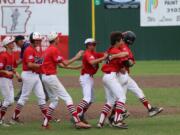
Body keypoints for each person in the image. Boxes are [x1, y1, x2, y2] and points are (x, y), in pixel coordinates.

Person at [108, 31, 163, 123]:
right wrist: (128, 64)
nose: (121, 37)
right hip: (121, 75)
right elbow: (128, 63)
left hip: (124, 75)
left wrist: (128, 63)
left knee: (137, 90)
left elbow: (128, 61)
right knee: (121, 98)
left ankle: (150, 109)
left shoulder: (123, 46)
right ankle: (113, 118)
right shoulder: (123, 47)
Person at [41, 32, 91, 129]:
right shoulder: (54, 49)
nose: (59, 39)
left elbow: (61, 65)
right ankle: (77, 122)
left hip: (45, 77)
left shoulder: (48, 50)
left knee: (54, 100)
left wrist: (74, 68)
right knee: (68, 98)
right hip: (50, 77)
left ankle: (45, 124)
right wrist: (77, 56)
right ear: (55, 39)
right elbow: (66, 63)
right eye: (57, 37)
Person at [10, 32, 47, 124]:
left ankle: (46, 118)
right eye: (37, 40)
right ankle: (14, 117)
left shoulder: (35, 49)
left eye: (39, 40)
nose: (39, 41)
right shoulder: (29, 49)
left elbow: (38, 62)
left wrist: (41, 64)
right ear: (32, 40)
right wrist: (40, 65)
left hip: (35, 75)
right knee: (24, 97)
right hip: (29, 75)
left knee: (41, 97)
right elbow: (30, 64)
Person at [97, 31, 129, 129]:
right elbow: (126, 53)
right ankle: (116, 121)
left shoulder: (110, 49)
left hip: (107, 77)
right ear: (117, 41)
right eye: (121, 40)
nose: (123, 41)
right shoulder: (115, 50)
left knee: (110, 101)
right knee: (122, 98)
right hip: (111, 77)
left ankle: (100, 122)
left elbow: (115, 57)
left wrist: (114, 57)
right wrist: (116, 56)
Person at [76, 38, 108, 124]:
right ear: (88, 45)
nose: (94, 46)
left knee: (91, 99)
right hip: (85, 78)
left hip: (90, 78)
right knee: (87, 98)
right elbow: (91, 62)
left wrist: (108, 54)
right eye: (93, 44)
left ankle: (81, 115)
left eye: (95, 44)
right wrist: (103, 58)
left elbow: (104, 55)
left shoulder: (94, 53)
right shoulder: (87, 53)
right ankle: (76, 116)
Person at [0, 36, 21, 126]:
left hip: (9, 80)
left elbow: (12, 68)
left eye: (13, 42)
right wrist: (5, 72)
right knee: (7, 100)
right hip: (3, 79)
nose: (13, 44)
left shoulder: (12, 55)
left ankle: (1, 105)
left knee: (11, 101)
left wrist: (17, 75)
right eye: (11, 43)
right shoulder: (3, 55)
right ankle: (0, 120)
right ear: (7, 45)